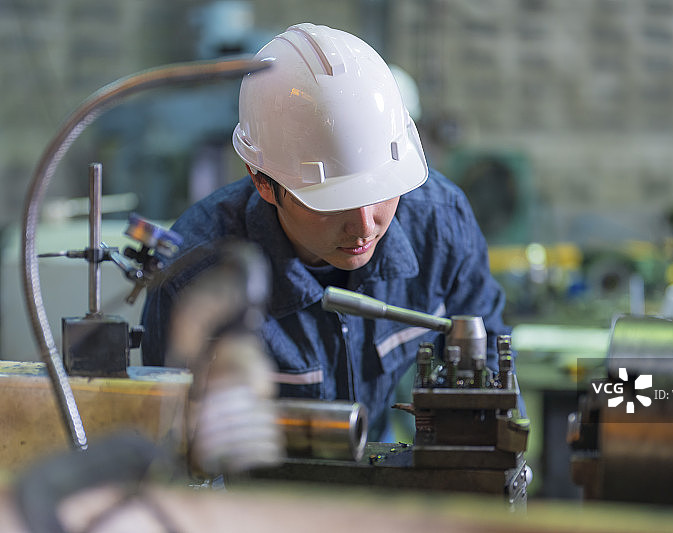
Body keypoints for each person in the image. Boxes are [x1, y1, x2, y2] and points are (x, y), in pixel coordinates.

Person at [141, 23, 511, 441]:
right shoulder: (196, 271)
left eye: (382, 192)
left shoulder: (439, 223)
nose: (365, 226)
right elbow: (172, 440)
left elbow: (488, 355)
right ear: (263, 181)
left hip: (379, 455)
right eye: (333, 203)